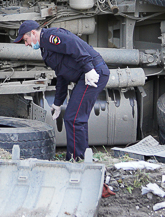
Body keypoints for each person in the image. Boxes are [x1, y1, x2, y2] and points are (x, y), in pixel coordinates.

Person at [13, 20, 110, 160]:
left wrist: (89, 69)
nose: (26, 44)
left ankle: (78, 160)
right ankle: (78, 157)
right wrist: (58, 103)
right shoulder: (45, 48)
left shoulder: (51, 37)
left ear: (33, 33)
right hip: (86, 76)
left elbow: (74, 45)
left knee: (74, 117)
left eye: (26, 40)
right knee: (74, 117)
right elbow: (62, 74)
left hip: (93, 74)